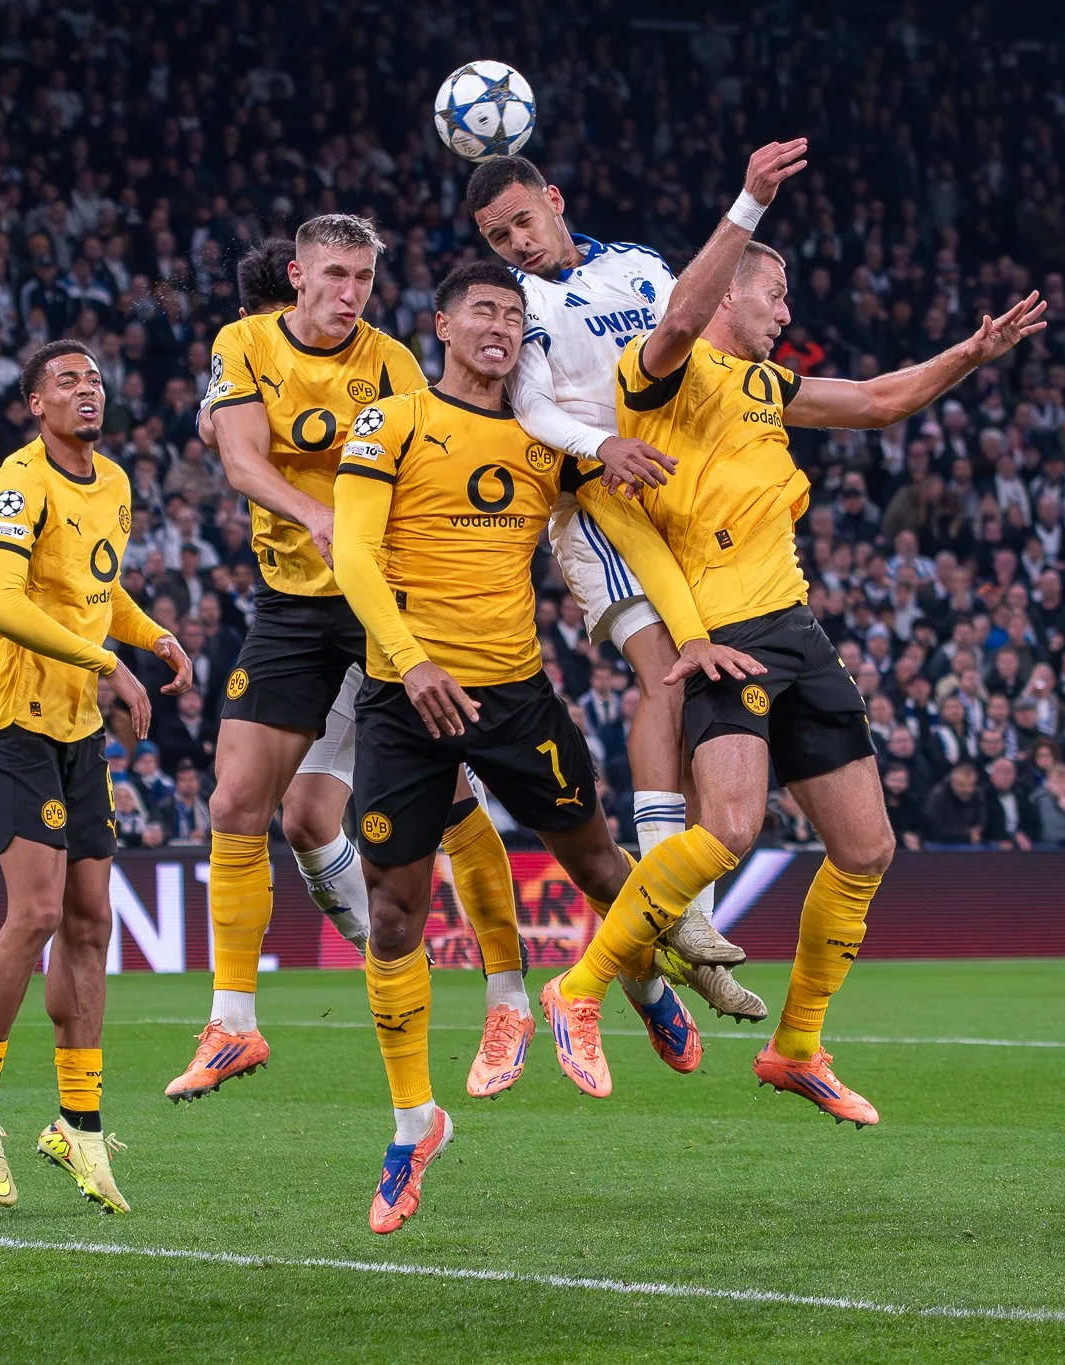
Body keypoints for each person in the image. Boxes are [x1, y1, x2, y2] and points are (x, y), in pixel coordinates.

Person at [553, 157, 1047, 1122]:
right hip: (726, 632)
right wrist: (749, 206)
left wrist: (969, 354)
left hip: (794, 625)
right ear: (729, 293)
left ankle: (797, 1045)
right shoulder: (663, 373)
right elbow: (679, 319)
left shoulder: (765, 385)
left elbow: (877, 401)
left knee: (867, 846)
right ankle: (579, 988)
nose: (786, 311)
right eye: (775, 294)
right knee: (732, 827)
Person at [330, 259, 711, 1234]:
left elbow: (624, 521)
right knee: (393, 913)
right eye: (482, 312)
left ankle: (638, 982)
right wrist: (411, 660)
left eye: (513, 314)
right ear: (442, 324)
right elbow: (350, 552)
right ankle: (414, 1125)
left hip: (513, 698)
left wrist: (685, 617)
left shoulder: (547, 439)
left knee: (599, 866)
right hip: (404, 698)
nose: (499, 326)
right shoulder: (393, 420)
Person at [170, 216, 528, 1106]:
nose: (350, 292)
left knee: (449, 798)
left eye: (364, 277)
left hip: (381, 604)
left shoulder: (393, 363)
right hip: (294, 604)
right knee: (240, 803)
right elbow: (241, 459)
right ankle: (233, 1021)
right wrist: (316, 514)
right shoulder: (246, 344)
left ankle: (508, 994)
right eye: (335, 274)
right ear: (297, 275)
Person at [467, 147, 768, 1021]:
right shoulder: (524, 306)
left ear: (555, 201)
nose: (516, 244)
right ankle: (676, 909)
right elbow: (533, 410)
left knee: (712, 698)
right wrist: (604, 446)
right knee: (669, 673)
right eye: (497, 237)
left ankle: (682, 914)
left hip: (685, 502)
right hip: (599, 504)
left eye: (523, 222)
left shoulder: (639, 264)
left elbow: (694, 340)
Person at [0, 339, 191, 1217]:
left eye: (94, 379)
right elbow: (2, 604)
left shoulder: (113, 481)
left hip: (76, 728)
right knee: (38, 912)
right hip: (5, 721)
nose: (88, 390)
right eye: (67, 381)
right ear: (34, 405)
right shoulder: (16, 485)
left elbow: (98, 591)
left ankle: (77, 1124)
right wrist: (110, 663)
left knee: (90, 920)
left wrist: (152, 636)